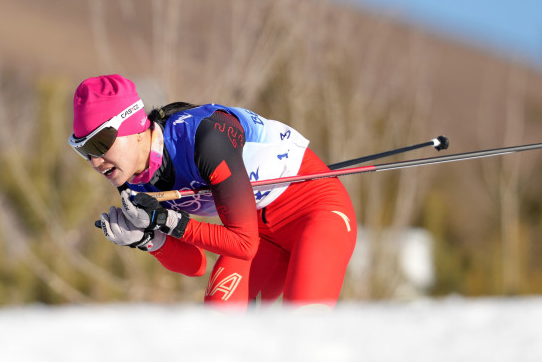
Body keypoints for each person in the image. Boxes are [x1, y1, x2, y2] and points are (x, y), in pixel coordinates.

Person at [69, 74, 357, 308]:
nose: (95, 161)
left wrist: (168, 222)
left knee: (301, 325)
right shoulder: (132, 182)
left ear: (133, 126)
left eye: (99, 143)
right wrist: (148, 239)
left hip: (316, 213)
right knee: (218, 325)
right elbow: (196, 264)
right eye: (82, 149)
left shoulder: (205, 136)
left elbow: (244, 244)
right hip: (261, 235)